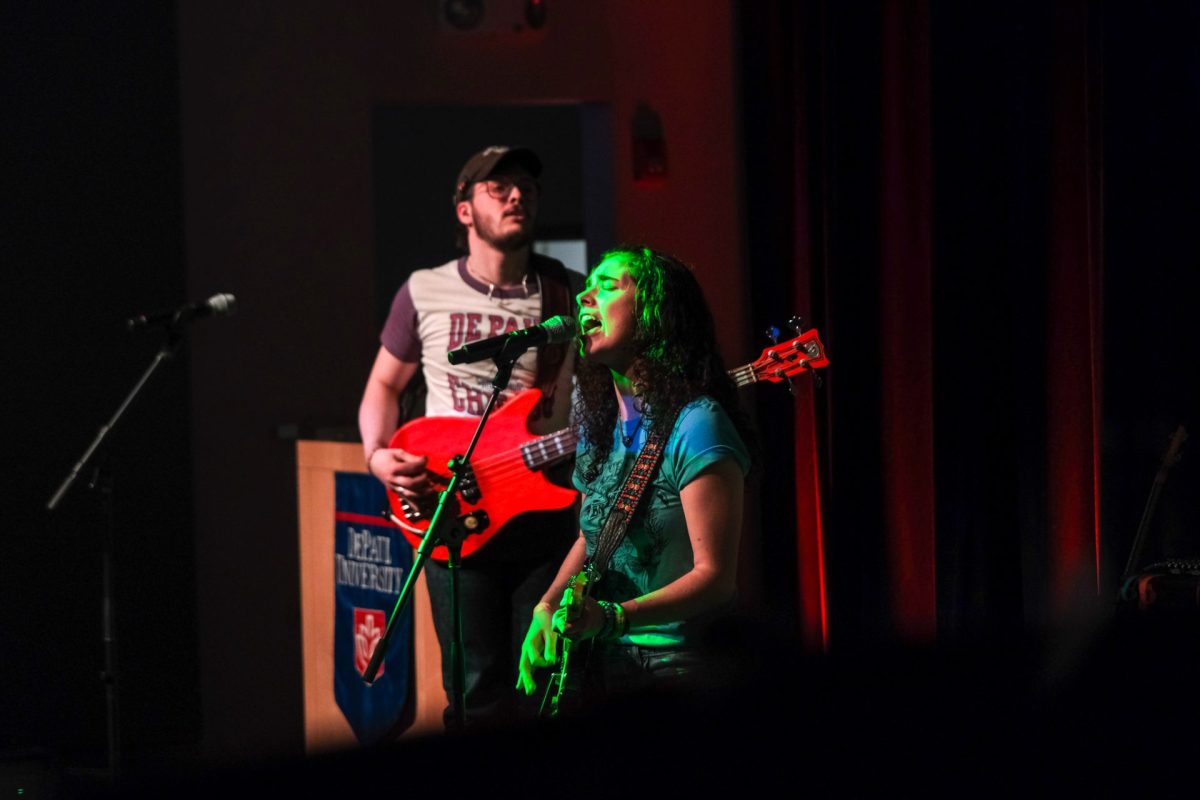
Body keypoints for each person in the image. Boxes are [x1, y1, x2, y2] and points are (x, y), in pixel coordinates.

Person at [359, 145, 581, 729]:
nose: (517, 196)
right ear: (464, 210)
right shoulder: (424, 290)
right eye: (498, 187)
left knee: (546, 685)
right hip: (451, 508)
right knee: (474, 690)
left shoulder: (566, 293)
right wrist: (377, 456)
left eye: (526, 188)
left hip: (542, 506)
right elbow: (383, 384)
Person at [516, 245, 755, 712]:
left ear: (654, 312)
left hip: (679, 665)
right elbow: (598, 532)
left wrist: (612, 617)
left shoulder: (697, 424)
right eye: (587, 286)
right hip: (604, 662)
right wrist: (545, 605)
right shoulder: (598, 427)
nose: (586, 295)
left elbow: (716, 579)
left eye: (608, 285)